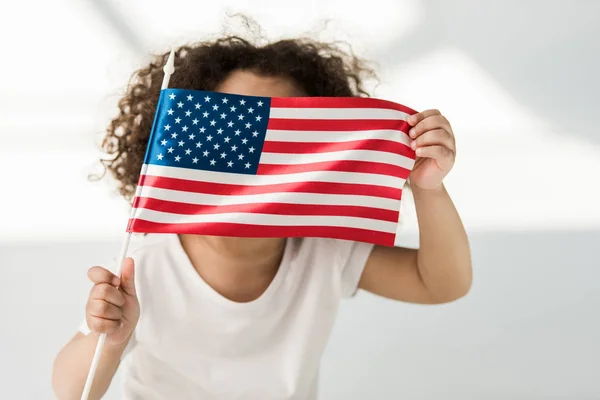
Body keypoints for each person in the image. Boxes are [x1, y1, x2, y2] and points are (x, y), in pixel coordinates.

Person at [52, 32, 472, 400]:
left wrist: (427, 188)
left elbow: (439, 283)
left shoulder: (325, 250)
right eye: (235, 129)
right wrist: (109, 340)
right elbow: (72, 391)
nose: (260, 163)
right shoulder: (141, 266)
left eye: (286, 139)